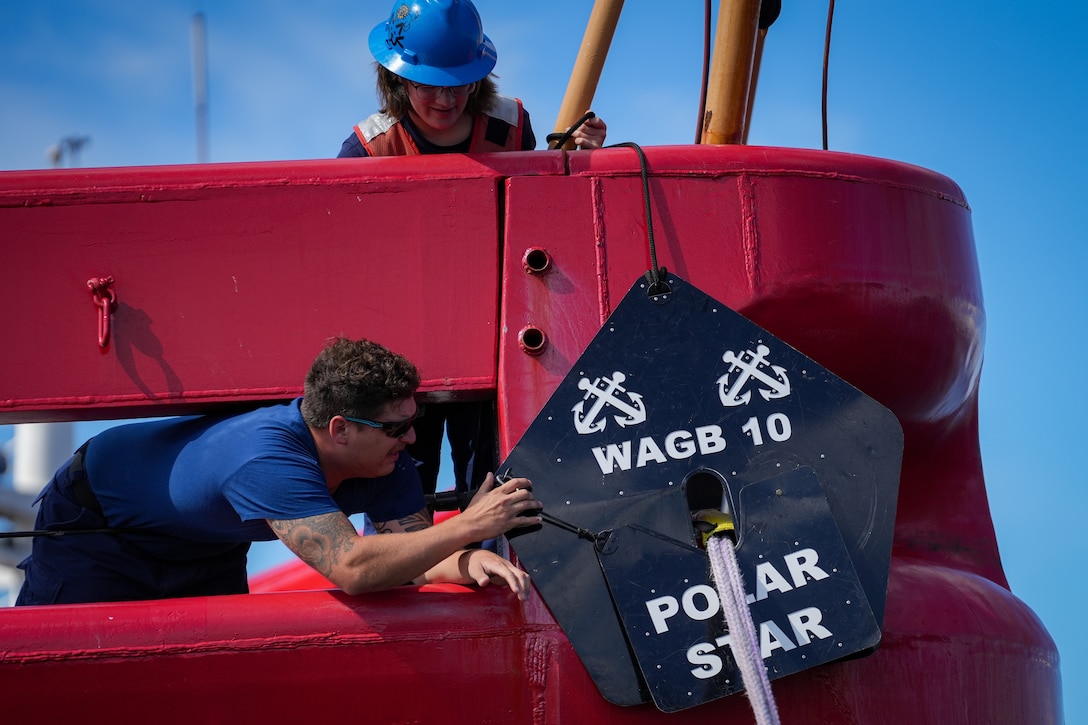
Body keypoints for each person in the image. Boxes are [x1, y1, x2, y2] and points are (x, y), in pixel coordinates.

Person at [15, 336, 542, 606]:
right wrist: (471, 525)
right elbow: (354, 569)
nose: (410, 438)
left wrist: (471, 560)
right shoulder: (268, 460)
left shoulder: (387, 457)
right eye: (395, 427)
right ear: (340, 430)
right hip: (99, 529)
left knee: (212, 685)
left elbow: (409, 557)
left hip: (206, 543)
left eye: (414, 422)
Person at [337, 0, 607, 496]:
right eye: (429, 85)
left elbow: (543, 215)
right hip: (403, 341)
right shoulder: (368, 150)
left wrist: (580, 162)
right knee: (401, 484)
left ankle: (492, 560)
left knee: (494, 472)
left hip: (495, 332)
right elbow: (349, 258)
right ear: (397, 80)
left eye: (458, 81)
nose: (446, 99)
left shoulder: (510, 126)